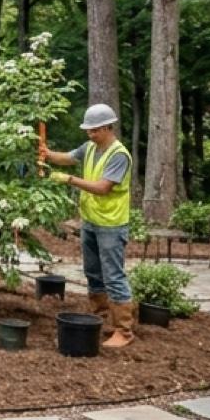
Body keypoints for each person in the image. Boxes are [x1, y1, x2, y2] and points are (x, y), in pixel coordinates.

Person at [41, 103, 136, 348]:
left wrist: (70, 180)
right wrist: (47, 154)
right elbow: (68, 157)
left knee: (113, 276)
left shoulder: (119, 155)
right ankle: (101, 318)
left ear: (107, 127)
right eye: (88, 130)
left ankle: (123, 331)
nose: (90, 134)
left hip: (111, 224)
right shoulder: (90, 147)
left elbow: (103, 188)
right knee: (93, 273)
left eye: (94, 130)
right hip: (91, 221)